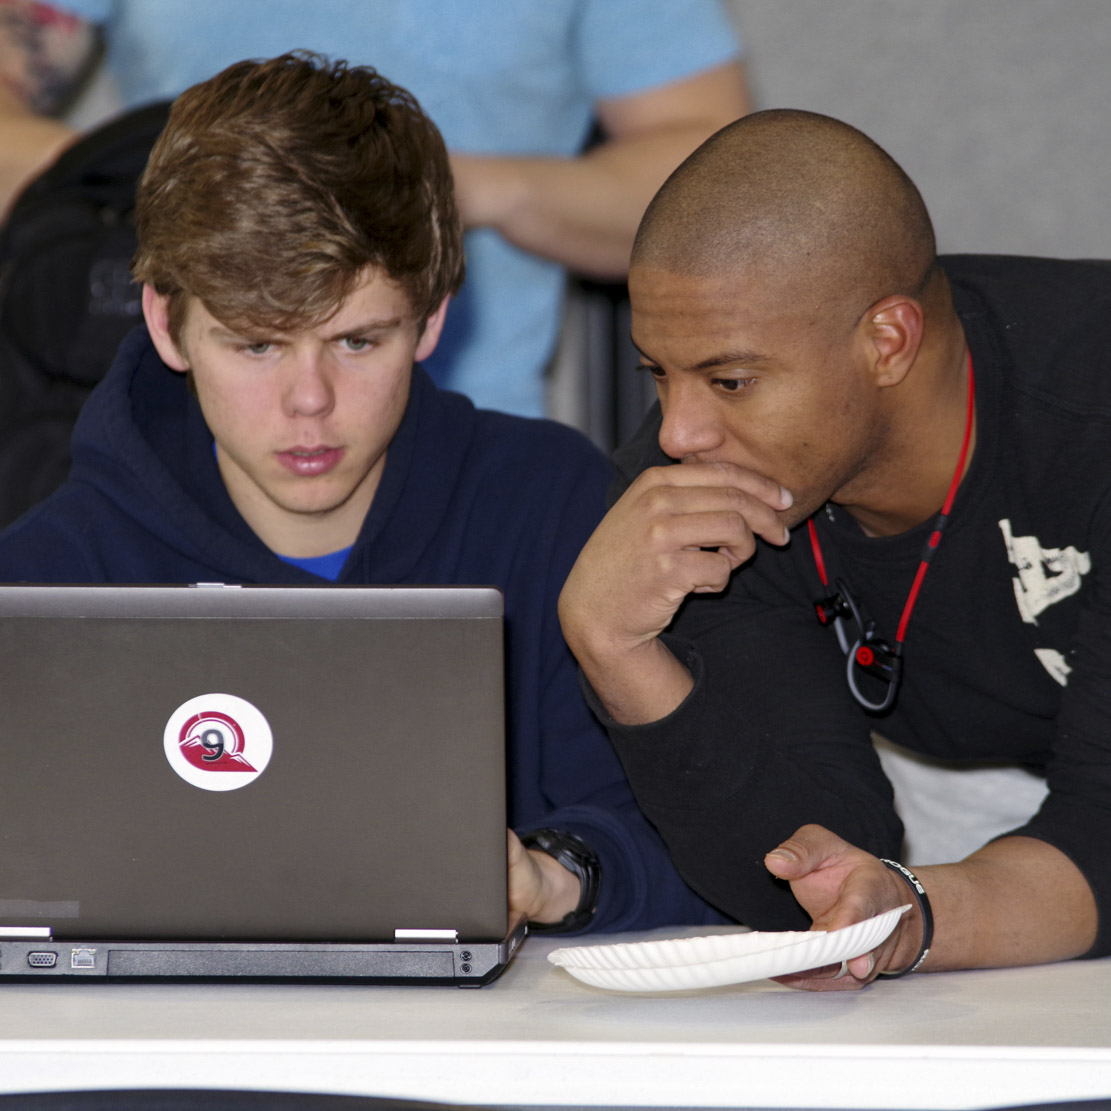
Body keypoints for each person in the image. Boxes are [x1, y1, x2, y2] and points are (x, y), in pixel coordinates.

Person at [0, 51, 728, 935]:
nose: (309, 401)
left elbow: (737, 852)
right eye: (256, 346)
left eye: (356, 342)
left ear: (431, 320)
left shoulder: (559, 511)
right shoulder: (46, 579)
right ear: (165, 323)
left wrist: (559, 876)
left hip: (478, 1065)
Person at [558, 107, 1111, 984]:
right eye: (657, 373)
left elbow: (1100, 838)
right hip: (985, 812)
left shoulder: (1084, 421)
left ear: (886, 341)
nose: (679, 433)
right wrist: (620, 655)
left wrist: (918, 913)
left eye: (729, 379)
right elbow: (808, 875)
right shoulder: (711, 493)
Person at [0, 0, 748, 416]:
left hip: (462, 446)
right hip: (165, 417)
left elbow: (721, 185)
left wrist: (458, 187)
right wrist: (136, 179)